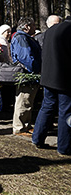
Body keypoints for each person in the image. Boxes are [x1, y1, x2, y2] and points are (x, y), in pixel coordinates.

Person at [32, 20, 71, 155]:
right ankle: (64, 147)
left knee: (47, 106)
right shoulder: (68, 29)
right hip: (64, 77)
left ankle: (37, 138)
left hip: (48, 76)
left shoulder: (51, 30)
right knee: (66, 112)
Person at [10, 17, 42, 136]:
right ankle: (19, 127)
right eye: (33, 25)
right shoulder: (21, 38)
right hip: (26, 75)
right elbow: (25, 57)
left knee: (28, 101)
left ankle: (26, 125)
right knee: (23, 100)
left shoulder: (26, 38)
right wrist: (34, 70)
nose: (35, 27)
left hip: (30, 74)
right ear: (26, 27)